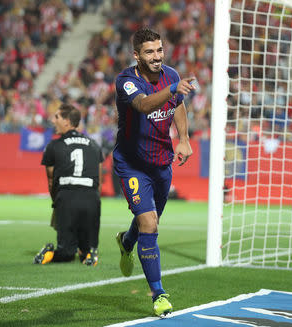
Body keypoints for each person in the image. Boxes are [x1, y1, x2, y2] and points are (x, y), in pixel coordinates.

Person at [113, 28, 195, 316]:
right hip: (132, 163)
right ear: (136, 55)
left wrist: (183, 138)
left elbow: (178, 105)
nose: (157, 56)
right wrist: (173, 89)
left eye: (159, 50)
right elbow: (145, 105)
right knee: (149, 224)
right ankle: (158, 294)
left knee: (150, 221)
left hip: (162, 162)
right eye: (149, 52)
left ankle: (126, 242)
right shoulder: (126, 81)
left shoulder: (171, 75)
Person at [33, 104, 103, 266]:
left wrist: (56, 203)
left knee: (66, 252)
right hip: (92, 199)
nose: (52, 120)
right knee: (88, 250)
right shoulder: (94, 145)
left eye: (56, 117)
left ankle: (50, 252)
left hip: (67, 197)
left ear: (66, 122)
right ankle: (90, 253)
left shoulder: (53, 146)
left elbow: (51, 181)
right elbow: (98, 180)